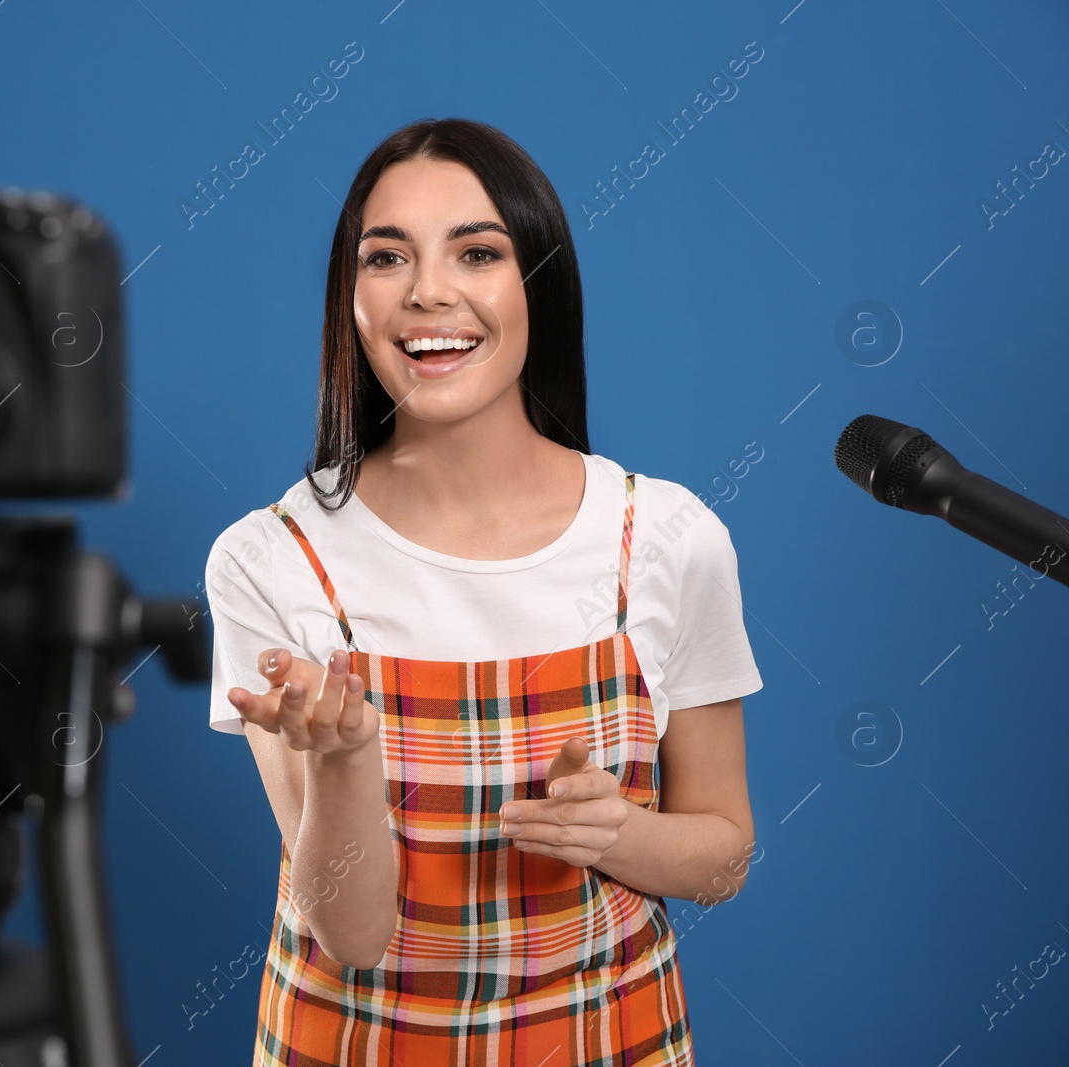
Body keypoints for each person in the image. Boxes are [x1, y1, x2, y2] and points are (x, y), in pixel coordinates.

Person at [204, 118, 763, 1065]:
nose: (429, 291)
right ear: (351, 301)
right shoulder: (271, 558)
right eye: (387, 258)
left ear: (539, 282)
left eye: (477, 251)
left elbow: (724, 858)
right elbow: (353, 935)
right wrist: (344, 762)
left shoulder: (667, 540)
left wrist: (617, 831)